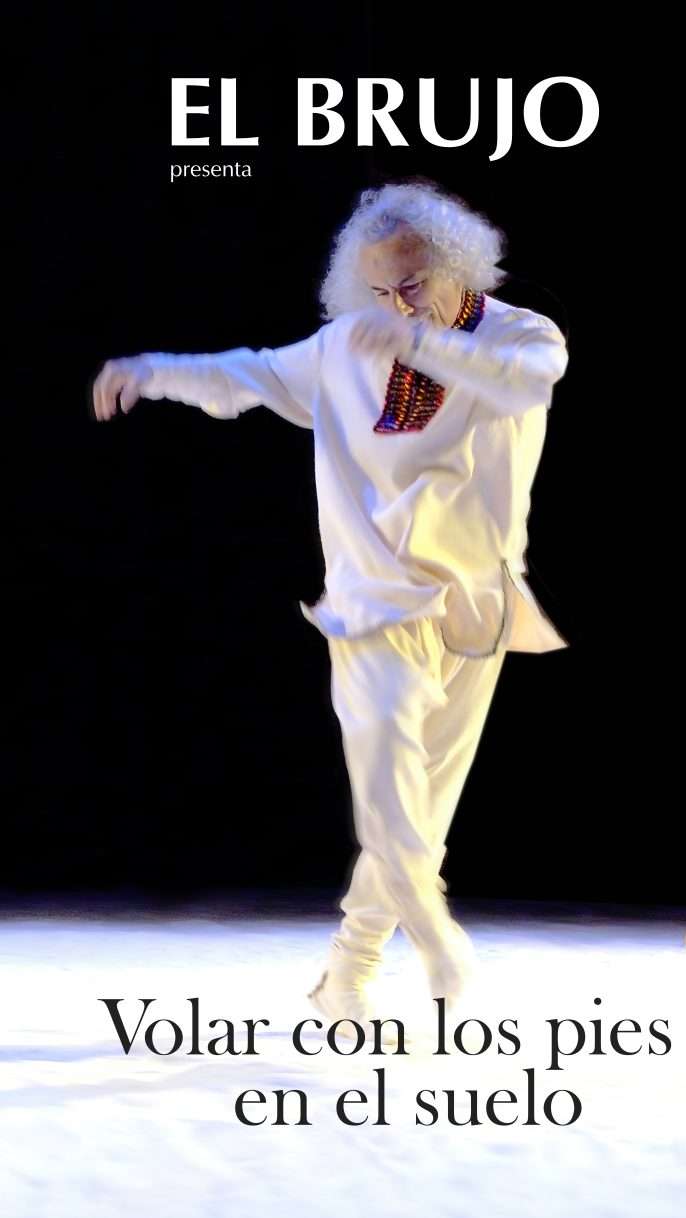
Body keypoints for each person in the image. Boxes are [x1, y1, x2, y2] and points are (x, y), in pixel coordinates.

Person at [91, 179, 570, 1033]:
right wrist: (153, 370)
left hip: (472, 604)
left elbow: (521, 385)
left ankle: (347, 971)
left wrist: (422, 342)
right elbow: (244, 373)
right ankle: (434, 935)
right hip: (372, 603)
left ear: (457, 266)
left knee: (423, 807)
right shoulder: (348, 344)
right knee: (386, 776)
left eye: (413, 284)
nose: (397, 305)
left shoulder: (520, 335)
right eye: (381, 290)